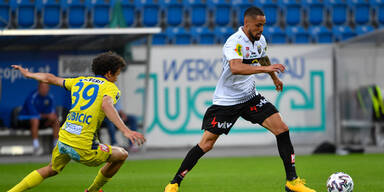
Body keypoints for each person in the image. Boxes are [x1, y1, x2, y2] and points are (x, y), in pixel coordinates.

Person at [164, 7, 316, 192]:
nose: (261, 29)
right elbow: (236, 68)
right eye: (258, 25)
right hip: (226, 102)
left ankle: (292, 181)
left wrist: (275, 78)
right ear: (246, 24)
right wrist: (266, 70)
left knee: (282, 129)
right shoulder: (234, 43)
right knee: (207, 144)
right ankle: (174, 183)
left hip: (250, 97)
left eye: (263, 25)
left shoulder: (260, 41)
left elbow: (262, 57)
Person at [8, 51, 146, 192]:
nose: (116, 78)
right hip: (84, 146)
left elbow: (51, 78)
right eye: (117, 74)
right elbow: (106, 105)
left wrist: (29, 74)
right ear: (109, 74)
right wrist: (126, 130)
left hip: (64, 139)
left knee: (52, 168)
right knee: (122, 154)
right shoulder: (110, 87)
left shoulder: (79, 81)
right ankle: (92, 190)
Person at [18, 82, 60, 155]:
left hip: (41, 120)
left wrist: (50, 118)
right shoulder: (32, 97)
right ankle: (36, 146)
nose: (44, 90)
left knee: (55, 120)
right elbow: (34, 114)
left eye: (46, 88)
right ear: (38, 88)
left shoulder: (50, 97)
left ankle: (56, 146)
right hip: (25, 120)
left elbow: (51, 113)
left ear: (48, 89)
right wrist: (48, 116)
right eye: (42, 88)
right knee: (35, 120)